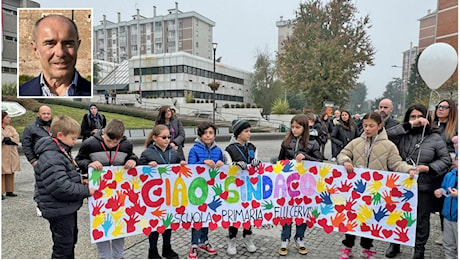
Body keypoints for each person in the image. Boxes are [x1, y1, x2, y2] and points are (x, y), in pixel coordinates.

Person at [337, 111, 417, 259]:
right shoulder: (356, 143)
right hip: (356, 190)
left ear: (380, 126)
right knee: (351, 219)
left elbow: (396, 163)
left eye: (371, 126)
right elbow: (343, 154)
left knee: (370, 220)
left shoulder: (389, 146)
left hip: (376, 192)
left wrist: (409, 169)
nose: (367, 129)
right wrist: (346, 161)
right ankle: (347, 246)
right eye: (365, 125)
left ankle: (366, 248)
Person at [385, 104, 451, 259]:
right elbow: (383, 136)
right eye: (412, 117)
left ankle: (419, 249)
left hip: (423, 185)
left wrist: (428, 168)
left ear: (427, 118)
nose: (417, 120)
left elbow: (445, 160)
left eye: (419, 116)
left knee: (421, 219)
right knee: (396, 215)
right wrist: (408, 125)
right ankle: (394, 243)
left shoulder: (435, 137)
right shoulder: (402, 134)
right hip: (400, 182)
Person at [34, 115, 95, 258]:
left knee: (69, 241)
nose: (75, 141)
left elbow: (65, 176)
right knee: (63, 247)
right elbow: (61, 187)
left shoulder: (60, 151)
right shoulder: (52, 156)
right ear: (60, 135)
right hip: (58, 209)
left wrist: (81, 181)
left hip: (63, 207)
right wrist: (86, 191)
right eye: (73, 138)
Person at [75, 119, 137, 259]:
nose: (111, 144)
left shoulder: (126, 145)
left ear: (121, 138)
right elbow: (78, 160)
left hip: (119, 194)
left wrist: (133, 159)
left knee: (119, 225)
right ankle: (105, 257)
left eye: (115, 142)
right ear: (103, 132)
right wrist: (89, 163)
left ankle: (119, 255)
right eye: (109, 140)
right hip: (98, 193)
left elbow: (131, 156)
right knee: (102, 225)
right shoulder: (89, 143)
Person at [277, 114, 322, 256]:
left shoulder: (313, 143)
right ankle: (285, 239)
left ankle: (300, 238)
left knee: (302, 211)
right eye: (292, 127)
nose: (294, 130)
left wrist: (305, 157)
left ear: (304, 128)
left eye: (297, 127)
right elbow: (280, 160)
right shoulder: (286, 141)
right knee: (287, 212)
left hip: (306, 184)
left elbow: (319, 161)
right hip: (288, 183)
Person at [139, 125, 183, 259]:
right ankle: (152, 250)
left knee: (167, 222)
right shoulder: (147, 153)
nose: (167, 139)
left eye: (169, 137)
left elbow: (179, 168)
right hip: (153, 195)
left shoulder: (174, 153)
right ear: (154, 138)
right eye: (164, 137)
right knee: (154, 222)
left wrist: (182, 164)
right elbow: (138, 171)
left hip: (169, 193)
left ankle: (167, 247)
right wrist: (146, 167)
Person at [19, 15, 91, 96]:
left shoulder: (90, 91)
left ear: (77, 46)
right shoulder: (21, 92)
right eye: (50, 43)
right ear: (36, 49)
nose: (60, 53)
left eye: (68, 44)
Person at [187, 122, 223, 259]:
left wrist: (221, 163)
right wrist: (202, 164)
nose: (208, 136)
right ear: (200, 135)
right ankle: (194, 244)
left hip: (211, 188)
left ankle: (204, 240)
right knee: (197, 216)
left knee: (206, 216)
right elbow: (190, 167)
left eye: (211, 133)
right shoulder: (194, 149)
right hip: (196, 188)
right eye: (205, 133)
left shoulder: (217, 150)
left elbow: (222, 165)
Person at [223, 120, 260, 255]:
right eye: (246, 131)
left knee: (248, 213)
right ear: (238, 133)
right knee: (235, 213)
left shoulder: (252, 147)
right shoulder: (229, 149)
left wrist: (256, 163)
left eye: (250, 131)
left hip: (249, 187)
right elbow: (227, 167)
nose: (249, 134)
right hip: (234, 188)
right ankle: (232, 238)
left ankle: (247, 236)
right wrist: (235, 165)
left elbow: (256, 163)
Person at [431, 99, 457, 245]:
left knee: (445, 201)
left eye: (444, 107)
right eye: (438, 106)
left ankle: (445, 233)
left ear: (451, 110)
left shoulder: (454, 128)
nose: (440, 109)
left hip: (448, 170)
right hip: (432, 168)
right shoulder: (432, 126)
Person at [21, 105, 53, 217]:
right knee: (41, 184)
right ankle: (39, 205)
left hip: (54, 161)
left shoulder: (55, 127)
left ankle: (51, 204)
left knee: (54, 182)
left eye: (48, 113)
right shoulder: (31, 128)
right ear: (38, 114)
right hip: (40, 161)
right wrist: (33, 161)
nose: (46, 116)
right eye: (44, 113)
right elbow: (26, 145)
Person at [434, 153, 457, 259]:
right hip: (447, 216)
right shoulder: (449, 175)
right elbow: (444, 188)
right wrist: (440, 191)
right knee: (448, 243)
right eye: (457, 159)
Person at [2, 111, 20, 200]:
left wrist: (9, 139)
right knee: (1, 172)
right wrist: (4, 139)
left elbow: (16, 137)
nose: (9, 119)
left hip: (11, 152)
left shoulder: (11, 128)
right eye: (7, 117)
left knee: (11, 171)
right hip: (2, 153)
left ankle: (10, 190)